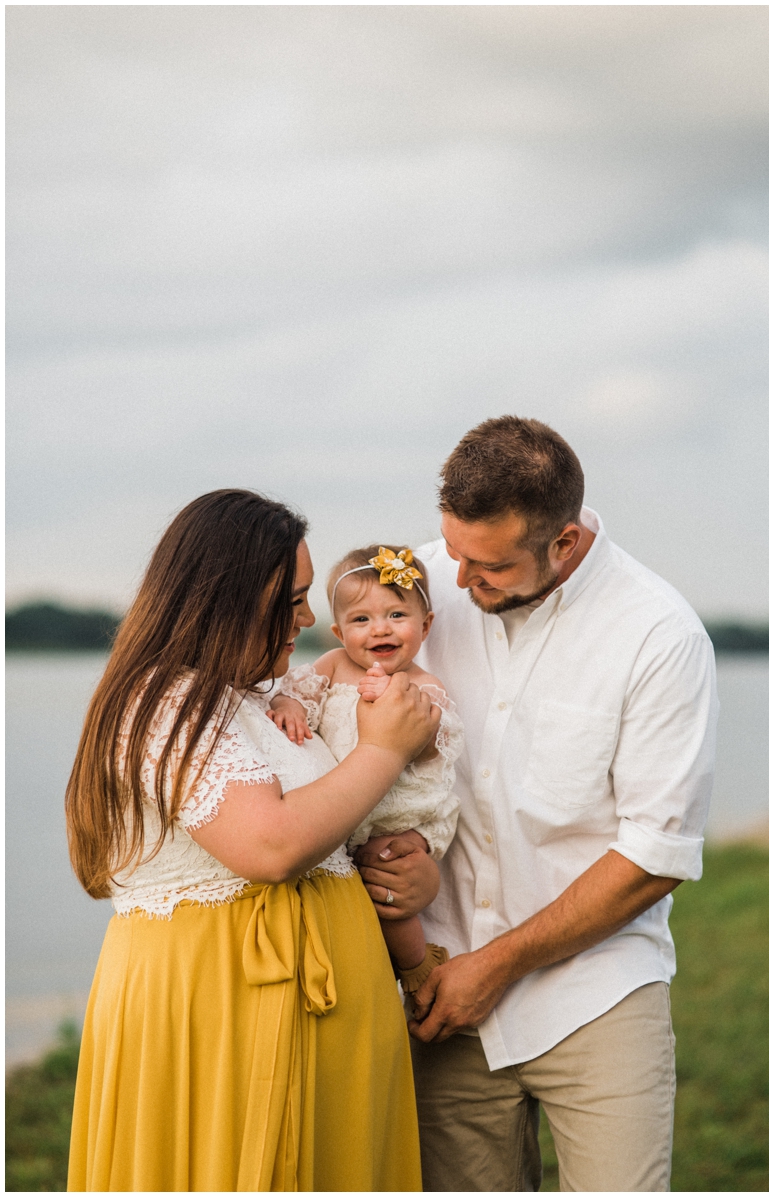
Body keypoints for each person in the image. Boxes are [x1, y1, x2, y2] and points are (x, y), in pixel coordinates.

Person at [65, 488, 441, 1191]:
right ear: (229, 599)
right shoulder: (160, 701)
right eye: (293, 599)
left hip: (328, 1028)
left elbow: (333, 829)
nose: (309, 617)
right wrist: (383, 751)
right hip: (216, 1020)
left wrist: (412, 872)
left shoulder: (268, 693)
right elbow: (267, 846)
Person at [403, 416, 717, 1192]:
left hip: (597, 993)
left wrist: (496, 965)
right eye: (455, 553)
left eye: (493, 565)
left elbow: (653, 857)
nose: (462, 580)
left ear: (566, 543)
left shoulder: (658, 635)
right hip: (439, 999)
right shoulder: (422, 587)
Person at [269, 543, 465, 998]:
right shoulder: (332, 667)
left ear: (425, 624)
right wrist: (289, 707)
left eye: (397, 615)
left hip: (398, 814)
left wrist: (391, 702)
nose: (380, 629)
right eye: (361, 620)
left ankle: (417, 967)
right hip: (341, 807)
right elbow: (293, 693)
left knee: (387, 888)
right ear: (339, 630)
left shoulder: (423, 685)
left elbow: (433, 747)